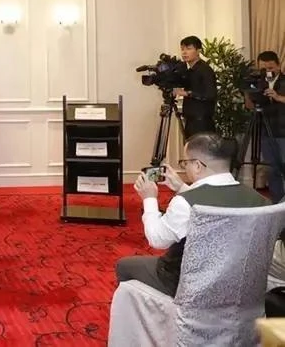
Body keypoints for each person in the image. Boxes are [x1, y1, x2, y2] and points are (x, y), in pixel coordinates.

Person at [115, 132, 269, 296]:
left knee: (124, 266)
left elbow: (157, 239)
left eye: (185, 163)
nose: (185, 167)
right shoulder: (260, 200)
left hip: (190, 284)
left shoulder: (185, 203)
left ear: (197, 166)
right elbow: (214, 199)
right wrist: (181, 187)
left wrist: (149, 199)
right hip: (242, 281)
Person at [243, 51, 285, 202]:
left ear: (279, 66)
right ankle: (277, 202)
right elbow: (249, 106)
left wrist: (278, 97)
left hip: (283, 132)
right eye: (263, 68)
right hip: (265, 131)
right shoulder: (259, 83)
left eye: (271, 67)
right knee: (273, 169)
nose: (268, 71)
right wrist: (248, 91)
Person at [174, 35, 217, 139]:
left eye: (189, 49)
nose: (184, 52)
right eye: (182, 49)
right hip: (190, 120)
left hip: (201, 122)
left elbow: (211, 94)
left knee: (201, 153)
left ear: (198, 51)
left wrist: (188, 93)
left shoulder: (205, 70)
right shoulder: (189, 71)